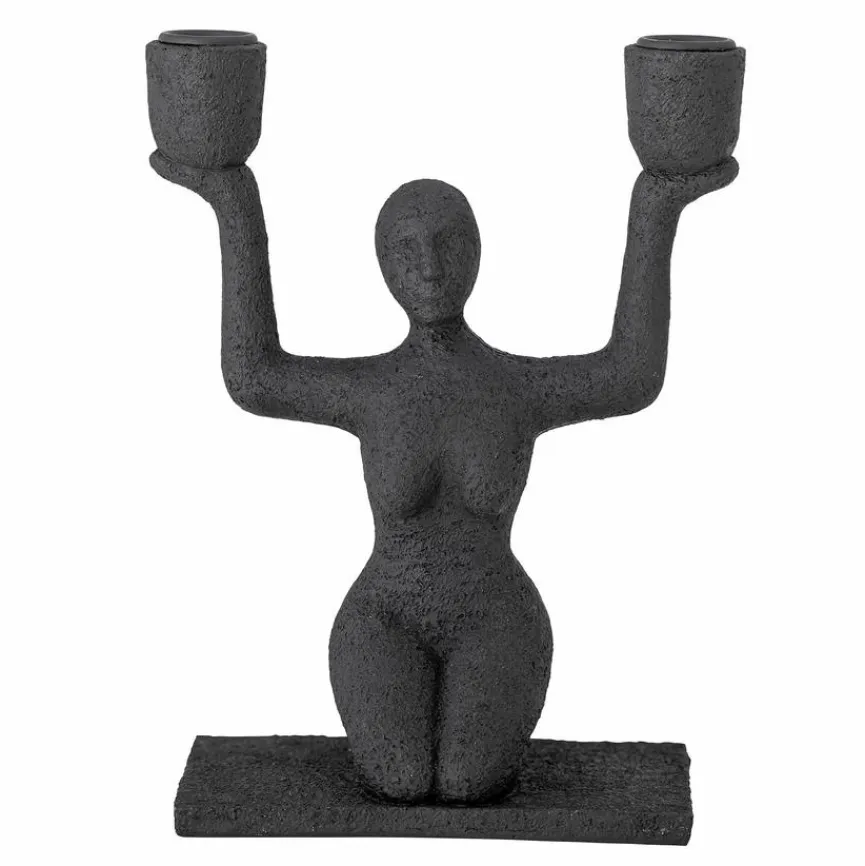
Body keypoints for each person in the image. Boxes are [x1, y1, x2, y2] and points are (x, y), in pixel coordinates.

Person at [151, 151, 738, 803]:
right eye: (406, 250)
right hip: (384, 614)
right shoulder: (372, 392)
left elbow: (629, 375)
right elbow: (254, 376)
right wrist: (230, 195)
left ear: (478, 253)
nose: (429, 266)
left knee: (466, 783)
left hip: (496, 615)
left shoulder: (513, 388)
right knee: (399, 779)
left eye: (449, 243)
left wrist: (658, 201)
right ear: (382, 267)